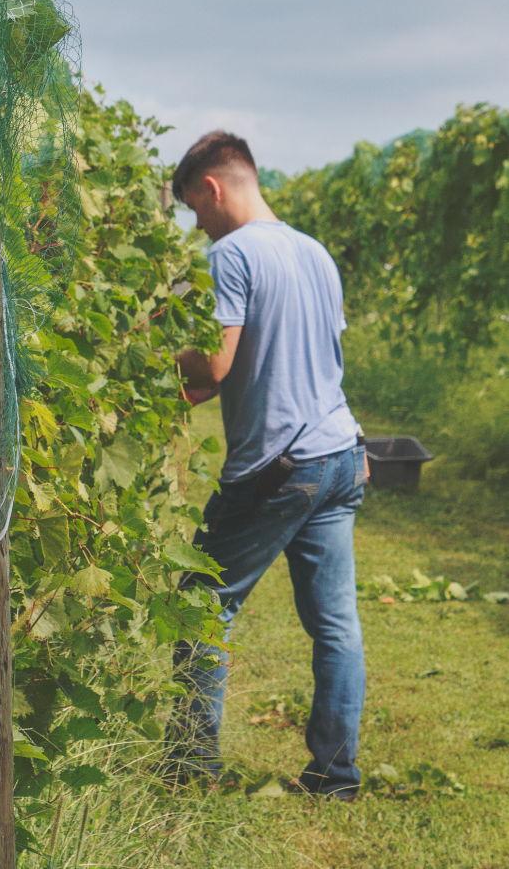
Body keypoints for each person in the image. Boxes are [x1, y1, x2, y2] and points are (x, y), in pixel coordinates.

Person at [167, 130, 368, 800]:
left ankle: (190, 768)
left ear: (212, 188)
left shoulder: (231, 255)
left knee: (200, 603)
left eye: (194, 209)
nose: (197, 225)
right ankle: (334, 777)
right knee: (335, 624)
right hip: (341, 454)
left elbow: (215, 367)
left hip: (279, 467)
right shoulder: (314, 253)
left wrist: (163, 349)